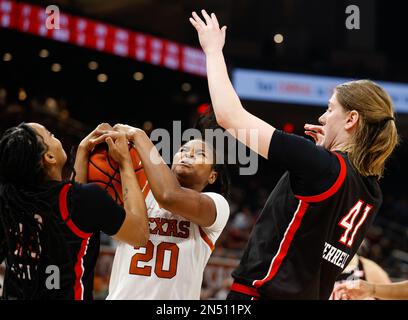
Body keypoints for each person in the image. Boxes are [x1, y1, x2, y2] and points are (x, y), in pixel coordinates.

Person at [189, 10, 399, 299]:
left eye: (329, 108)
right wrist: (317, 155)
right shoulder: (371, 191)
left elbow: (229, 117)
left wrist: (213, 51)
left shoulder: (321, 167)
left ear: (351, 120)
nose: (322, 117)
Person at [0, 122, 148, 299]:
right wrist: (125, 163)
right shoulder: (84, 199)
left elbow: (71, 197)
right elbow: (139, 235)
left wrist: (83, 152)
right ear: (49, 157)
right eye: (50, 134)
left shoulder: (9, 203)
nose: (55, 136)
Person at [102, 118, 230, 300]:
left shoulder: (217, 204)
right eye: (183, 150)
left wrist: (139, 136)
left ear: (212, 176)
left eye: (200, 153)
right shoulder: (140, 190)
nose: (188, 155)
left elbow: (169, 196)